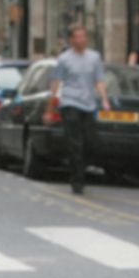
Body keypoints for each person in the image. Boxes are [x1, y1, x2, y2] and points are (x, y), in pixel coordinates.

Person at [46, 23, 111, 195]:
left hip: (88, 104)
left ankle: (78, 166)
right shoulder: (64, 59)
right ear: (71, 39)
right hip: (70, 103)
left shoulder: (94, 57)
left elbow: (99, 80)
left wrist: (104, 99)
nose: (82, 39)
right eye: (78, 36)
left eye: (84, 36)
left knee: (91, 143)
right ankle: (77, 180)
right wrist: (50, 107)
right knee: (76, 144)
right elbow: (56, 83)